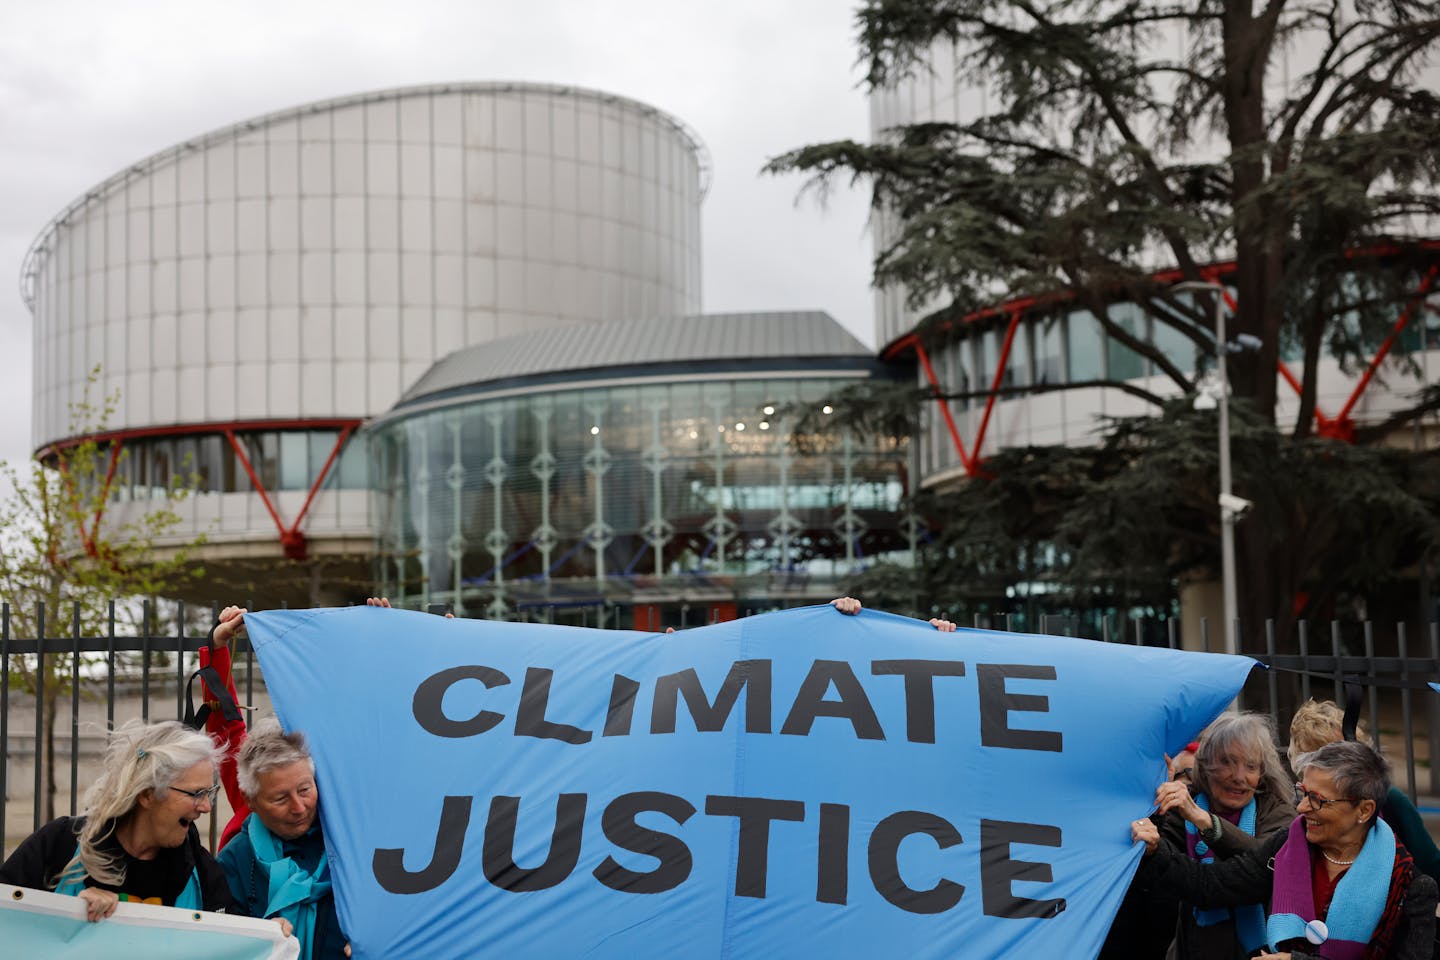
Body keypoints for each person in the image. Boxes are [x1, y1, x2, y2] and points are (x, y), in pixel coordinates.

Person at [1133, 740, 1438, 959]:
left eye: (1318, 799)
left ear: (1364, 809)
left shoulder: (1410, 888)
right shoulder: (1288, 848)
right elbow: (1212, 886)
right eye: (1302, 793)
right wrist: (1155, 851)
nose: (1302, 808)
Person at [0, 720, 237, 921]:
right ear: (147, 794)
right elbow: (8, 916)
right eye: (196, 793)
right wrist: (67, 915)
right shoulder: (60, 844)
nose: (207, 807)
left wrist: (272, 933)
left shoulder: (202, 871)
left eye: (210, 792)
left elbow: (232, 943)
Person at [1150, 712, 1296, 959]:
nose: (1239, 777)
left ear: (1262, 772)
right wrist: (1153, 800)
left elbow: (1261, 864)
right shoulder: (1182, 803)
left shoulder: (1279, 812)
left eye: (1251, 766)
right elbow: (1157, 861)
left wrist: (1206, 822)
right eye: (1227, 762)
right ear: (1205, 765)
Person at [218, 720, 347, 959]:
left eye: (305, 790)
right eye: (280, 799)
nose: (298, 807)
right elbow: (222, 946)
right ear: (250, 800)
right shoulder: (234, 861)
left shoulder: (350, 841)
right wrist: (258, 940)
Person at [1288, 698, 1440, 885]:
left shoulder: (1390, 800)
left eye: (1341, 756)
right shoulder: (1296, 808)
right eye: (1318, 760)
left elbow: (1432, 869)